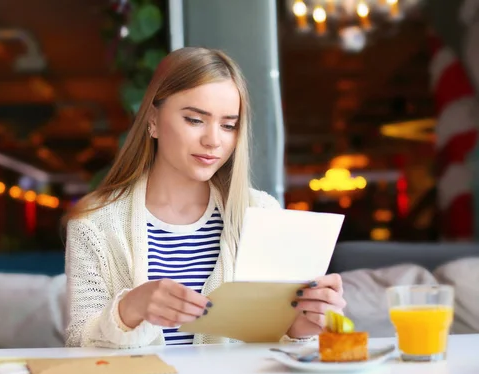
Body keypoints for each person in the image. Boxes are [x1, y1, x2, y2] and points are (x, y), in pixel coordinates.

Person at [64, 47, 346, 348]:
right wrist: (130, 309)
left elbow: (271, 348)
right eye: (195, 120)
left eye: (228, 125)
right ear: (153, 120)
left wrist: (299, 329)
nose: (213, 140)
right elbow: (78, 341)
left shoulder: (260, 212)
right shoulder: (95, 223)